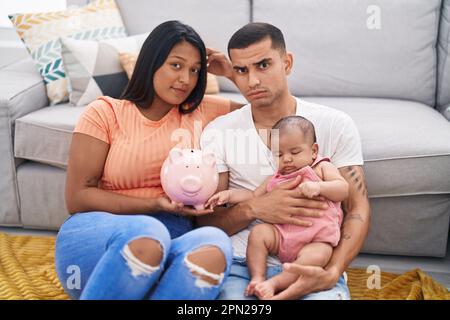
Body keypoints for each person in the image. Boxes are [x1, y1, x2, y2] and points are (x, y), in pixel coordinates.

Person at [55, 20, 242, 300]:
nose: (185, 80)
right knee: (148, 230)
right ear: (151, 61)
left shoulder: (202, 112)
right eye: (176, 65)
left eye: (194, 70)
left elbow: (277, 115)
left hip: (172, 243)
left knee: (214, 244)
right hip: (101, 240)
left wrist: (232, 73)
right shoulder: (105, 113)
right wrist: (152, 204)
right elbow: (78, 197)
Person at [200, 22, 370, 300]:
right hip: (244, 266)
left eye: (264, 65)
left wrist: (332, 270)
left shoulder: (334, 124)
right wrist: (254, 208)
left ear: (287, 63)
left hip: (314, 264)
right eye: (241, 70)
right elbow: (208, 226)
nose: (252, 81)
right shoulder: (219, 132)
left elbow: (357, 208)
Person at [205, 116, 349, 299]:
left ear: (314, 151)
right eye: (279, 155)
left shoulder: (321, 168)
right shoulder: (276, 178)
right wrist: (229, 195)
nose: (287, 159)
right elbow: (252, 196)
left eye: (295, 152)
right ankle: (258, 277)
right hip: (281, 236)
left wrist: (319, 187)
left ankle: (274, 284)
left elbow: (343, 189)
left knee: (319, 255)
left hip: (315, 239)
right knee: (258, 234)